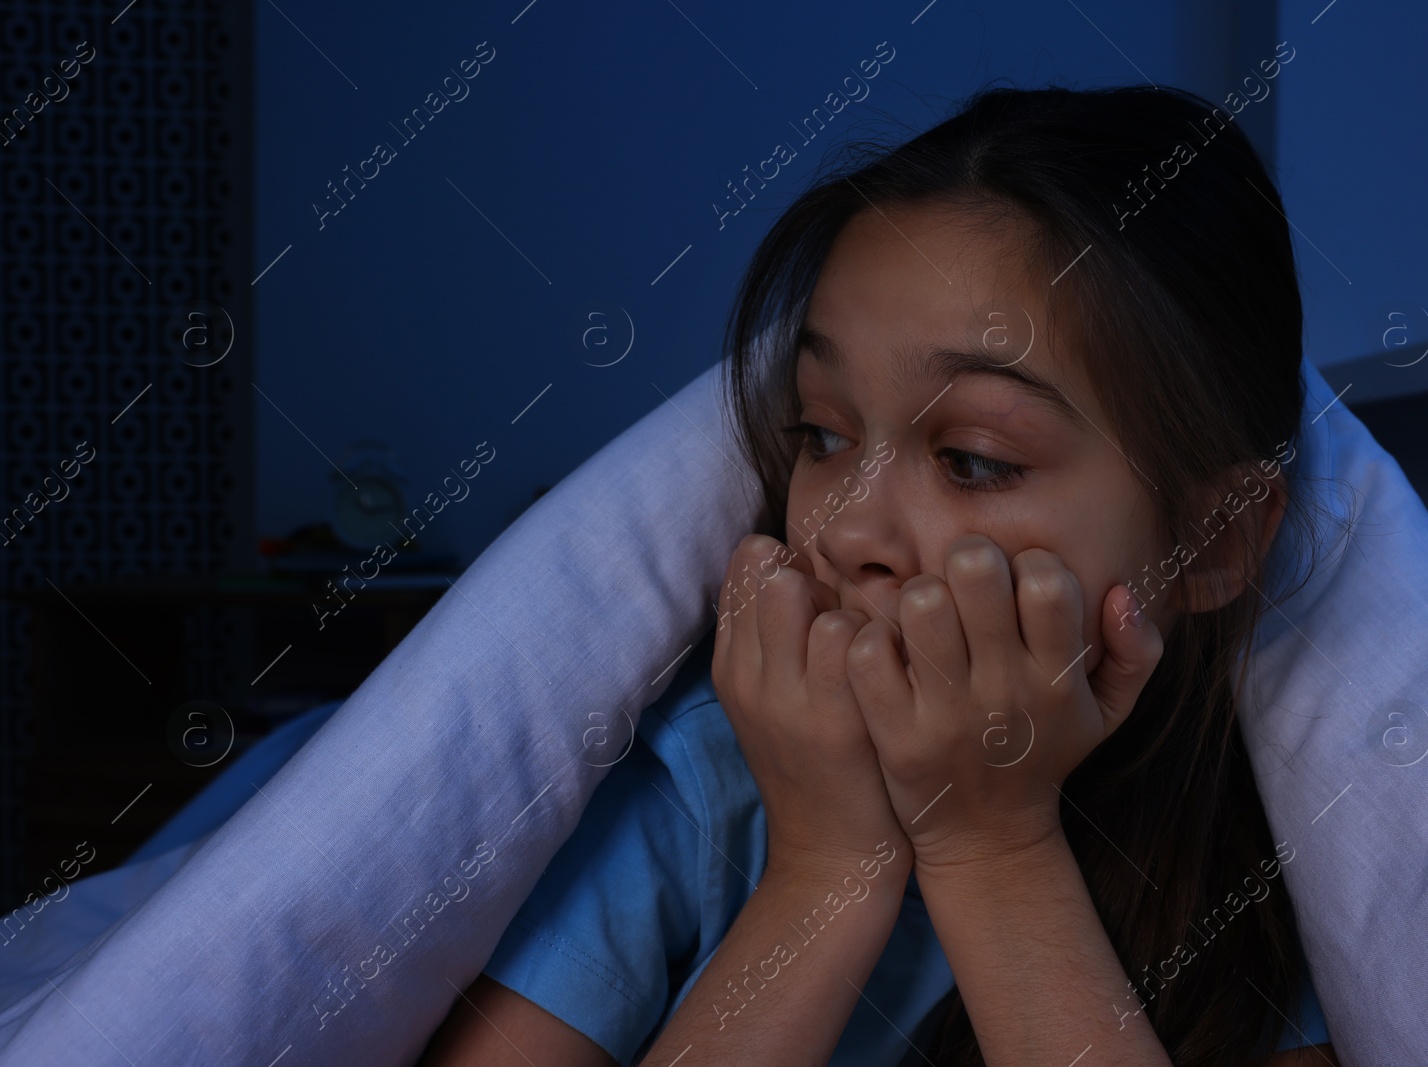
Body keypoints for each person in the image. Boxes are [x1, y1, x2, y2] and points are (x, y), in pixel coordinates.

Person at [419, 82, 1349, 1067]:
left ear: (1208, 546)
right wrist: (823, 869)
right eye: (820, 433)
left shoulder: (1263, 849)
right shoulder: (692, 782)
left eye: (973, 459)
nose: (844, 526)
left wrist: (994, 848)